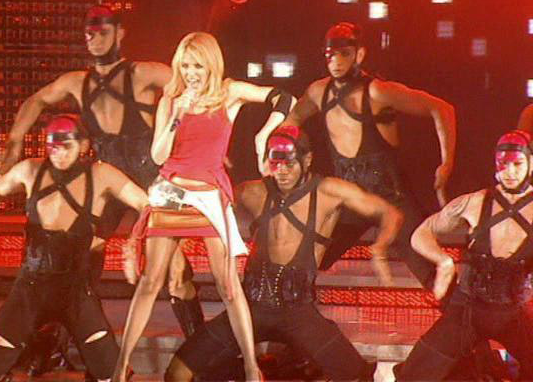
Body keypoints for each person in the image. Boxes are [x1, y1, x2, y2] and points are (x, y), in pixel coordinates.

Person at [0, 4, 210, 337]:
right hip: (107, 177)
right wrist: (14, 140)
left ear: (119, 33)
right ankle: (79, 338)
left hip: (150, 177)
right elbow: (36, 100)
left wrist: (201, 144)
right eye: (89, 34)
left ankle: (200, 345)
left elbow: (200, 85)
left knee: (175, 270)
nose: (94, 39)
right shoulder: (76, 82)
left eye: (102, 32)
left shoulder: (142, 73)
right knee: (82, 252)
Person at [112, 31, 295, 381]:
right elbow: (158, 156)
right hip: (172, 190)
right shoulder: (171, 100)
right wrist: (177, 114)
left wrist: (263, 135)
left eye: (197, 65)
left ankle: (251, 367)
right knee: (151, 282)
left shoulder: (229, 93)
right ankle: (120, 368)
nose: (191, 73)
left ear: (211, 64)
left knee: (228, 286)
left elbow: (285, 98)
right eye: (185, 65)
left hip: (209, 195)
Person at [163, 126, 401, 382]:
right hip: (250, 308)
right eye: (276, 164)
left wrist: (379, 250)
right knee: (176, 374)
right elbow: (202, 206)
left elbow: (390, 213)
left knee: (358, 377)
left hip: (298, 312)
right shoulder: (253, 191)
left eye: (289, 164)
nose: (282, 172)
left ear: (307, 160)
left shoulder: (330, 191)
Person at [280, 21, 456, 291]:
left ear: (359, 55)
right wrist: (278, 149)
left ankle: (462, 312)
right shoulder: (318, 92)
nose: (336, 61)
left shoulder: (378, 91)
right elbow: (291, 120)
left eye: (344, 54)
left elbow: (442, 109)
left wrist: (447, 163)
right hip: (351, 199)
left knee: (431, 274)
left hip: (391, 197)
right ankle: (286, 309)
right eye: (330, 55)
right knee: (303, 258)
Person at [0, 115, 147, 382]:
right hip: (31, 285)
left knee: (111, 374)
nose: (59, 154)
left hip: (75, 289)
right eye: (53, 147)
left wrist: (133, 243)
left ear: (83, 145)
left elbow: (146, 204)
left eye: (67, 147)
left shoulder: (102, 175)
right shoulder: (30, 170)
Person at [394, 130, 533, 380]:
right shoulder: (474, 202)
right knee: (413, 375)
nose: (509, 172)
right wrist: (443, 261)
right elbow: (421, 233)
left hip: (515, 313)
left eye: (517, 164)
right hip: (467, 309)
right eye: (503, 164)